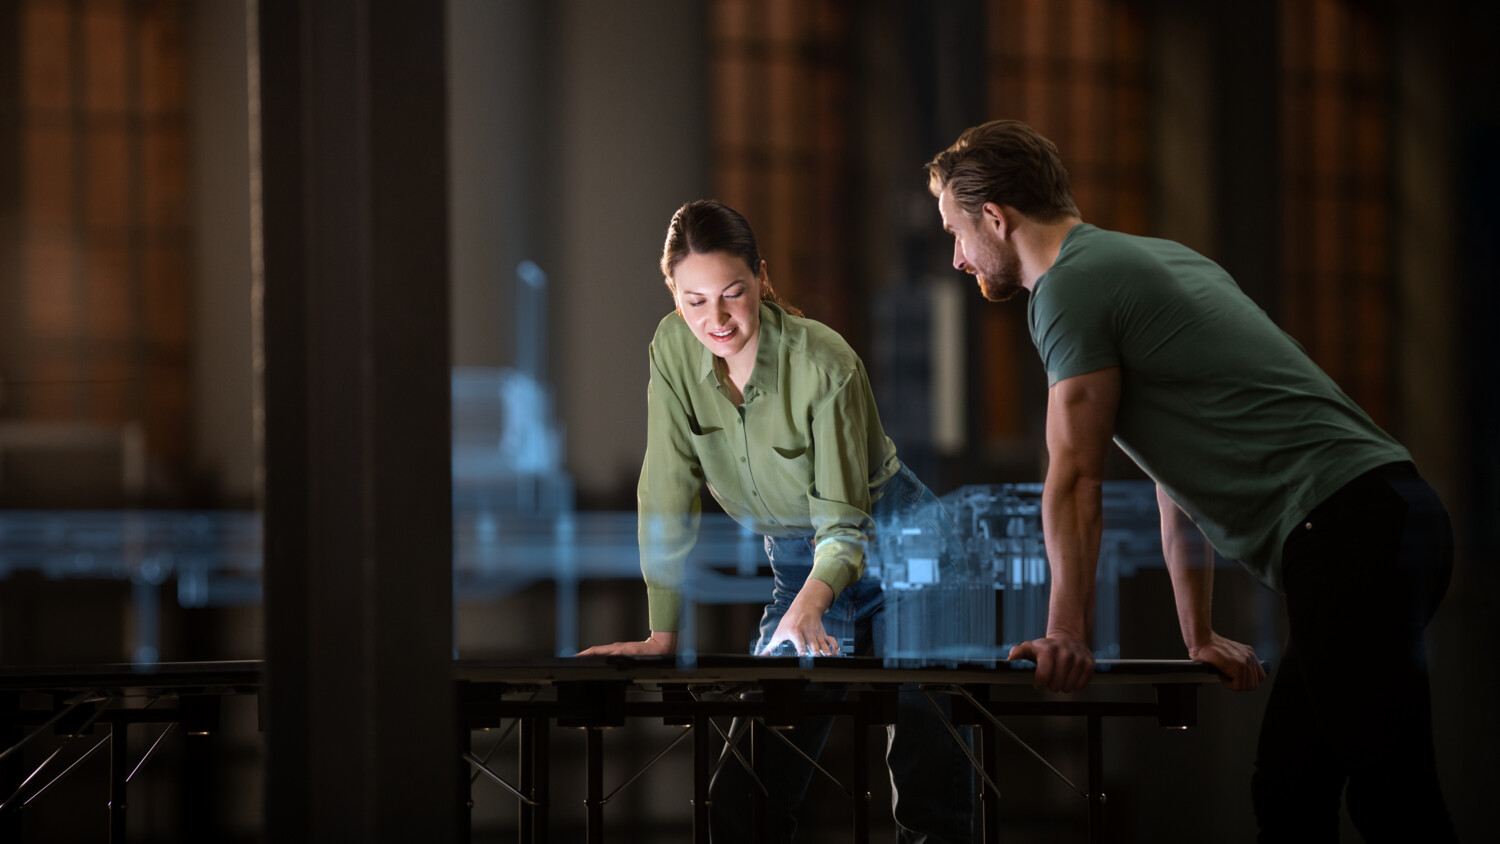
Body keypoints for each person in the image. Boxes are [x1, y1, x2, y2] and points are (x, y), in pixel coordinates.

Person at [925, 119, 1457, 841]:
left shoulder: (1067, 290)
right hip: (1393, 518)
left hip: (1349, 532)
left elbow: (1076, 474)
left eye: (956, 231)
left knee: (1388, 796)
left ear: (996, 217)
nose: (957, 257)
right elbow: (1170, 473)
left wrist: (1065, 633)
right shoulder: (1153, 257)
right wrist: (1197, 630)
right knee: (1294, 790)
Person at [579, 200, 975, 843]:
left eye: (733, 294)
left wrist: (812, 605)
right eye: (694, 300)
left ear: (762, 279)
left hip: (913, 555)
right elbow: (666, 488)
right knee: (744, 800)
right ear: (674, 295)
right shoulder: (672, 351)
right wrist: (663, 629)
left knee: (930, 799)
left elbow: (846, 525)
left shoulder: (825, 363)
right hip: (798, 561)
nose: (717, 320)